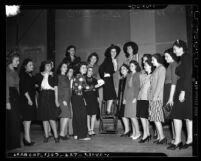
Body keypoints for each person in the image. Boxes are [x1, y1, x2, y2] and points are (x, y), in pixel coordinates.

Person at [167, 40, 192, 150]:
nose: (174, 51)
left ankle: (188, 140)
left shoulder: (186, 57)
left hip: (185, 90)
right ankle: (179, 140)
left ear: (181, 48)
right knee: (179, 116)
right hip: (181, 88)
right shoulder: (182, 59)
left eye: (175, 49)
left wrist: (184, 92)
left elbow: (188, 75)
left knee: (185, 117)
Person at [35, 60, 60, 143]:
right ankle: (46, 136)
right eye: (47, 65)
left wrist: (56, 100)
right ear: (44, 66)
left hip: (51, 96)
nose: (49, 67)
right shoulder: (38, 75)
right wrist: (39, 87)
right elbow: (36, 86)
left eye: (50, 65)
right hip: (42, 96)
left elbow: (56, 88)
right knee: (44, 118)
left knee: (51, 117)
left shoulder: (54, 75)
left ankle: (56, 136)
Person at [163, 48, 179, 145]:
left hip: (171, 90)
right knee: (172, 117)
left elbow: (174, 82)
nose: (165, 58)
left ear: (172, 56)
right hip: (168, 89)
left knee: (174, 116)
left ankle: (177, 139)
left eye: (167, 56)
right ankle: (174, 138)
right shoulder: (170, 65)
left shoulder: (174, 65)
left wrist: (170, 98)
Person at [149, 53, 166, 144]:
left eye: (152, 60)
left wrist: (155, 97)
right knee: (155, 118)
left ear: (157, 59)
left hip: (157, 97)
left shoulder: (162, 68)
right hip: (153, 97)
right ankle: (160, 137)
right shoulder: (156, 69)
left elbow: (160, 84)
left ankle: (162, 137)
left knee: (156, 118)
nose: (151, 62)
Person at [19, 58, 37, 146]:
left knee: (28, 119)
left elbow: (33, 85)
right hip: (26, 99)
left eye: (32, 65)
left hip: (31, 98)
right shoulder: (23, 75)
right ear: (25, 66)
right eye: (30, 65)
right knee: (27, 119)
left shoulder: (30, 75)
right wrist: (29, 99)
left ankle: (26, 138)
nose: (32, 66)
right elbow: (24, 89)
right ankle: (27, 139)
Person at [6, 50, 21, 151]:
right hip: (9, 95)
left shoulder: (15, 72)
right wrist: (7, 101)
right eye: (17, 60)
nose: (18, 62)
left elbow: (18, 87)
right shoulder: (6, 72)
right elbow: (6, 86)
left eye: (19, 60)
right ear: (11, 60)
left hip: (16, 96)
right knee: (11, 121)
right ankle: (10, 144)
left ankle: (15, 144)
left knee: (16, 120)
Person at [71, 62, 91, 140]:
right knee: (82, 115)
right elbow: (87, 87)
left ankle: (76, 134)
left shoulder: (76, 76)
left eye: (85, 68)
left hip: (75, 97)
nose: (85, 69)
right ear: (79, 69)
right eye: (83, 68)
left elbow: (79, 89)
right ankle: (82, 136)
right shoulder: (81, 76)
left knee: (76, 116)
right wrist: (96, 85)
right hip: (78, 98)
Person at [99, 44, 120, 115]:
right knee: (111, 94)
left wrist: (115, 65)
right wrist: (104, 75)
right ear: (110, 52)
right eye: (112, 51)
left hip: (110, 79)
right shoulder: (108, 59)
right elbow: (101, 68)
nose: (113, 53)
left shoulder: (114, 60)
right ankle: (108, 110)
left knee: (111, 95)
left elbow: (114, 70)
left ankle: (108, 110)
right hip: (107, 79)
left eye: (115, 51)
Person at [137, 59, 154, 143]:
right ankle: (147, 134)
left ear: (151, 66)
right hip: (141, 98)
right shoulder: (145, 75)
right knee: (143, 117)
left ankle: (145, 135)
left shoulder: (153, 75)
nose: (144, 67)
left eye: (146, 65)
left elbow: (152, 89)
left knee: (143, 117)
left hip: (147, 99)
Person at [123, 60, 141, 140]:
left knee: (133, 116)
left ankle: (138, 132)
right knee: (130, 116)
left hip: (134, 96)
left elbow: (138, 87)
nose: (130, 67)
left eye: (132, 66)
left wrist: (136, 98)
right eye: (130, 66)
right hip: (128, 96)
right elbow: (126, 88)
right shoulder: (129, 75)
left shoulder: (138, 74)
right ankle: (134, 133)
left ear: (136, 66)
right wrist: (124, 98)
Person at [56, 61, 72, 140]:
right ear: (60, 68)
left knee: (63, 116)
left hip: (67, 99)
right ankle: (62, 133)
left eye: (66, 67)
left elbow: (68, 89)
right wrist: (62, 99)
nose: (65, 68)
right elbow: (59, 89)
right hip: (62, 99)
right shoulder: (58, 77)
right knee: (67, 115)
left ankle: (61, 133)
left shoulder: (66, 77)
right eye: (64, 67)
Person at [84, 67, 101, 136]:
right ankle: (88, 130)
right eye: (89, 70)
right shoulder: (83, 79)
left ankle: (92, 129)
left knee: (94, 114)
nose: (90, 72)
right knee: (87, 115)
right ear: (87, 71)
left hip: (94, 98)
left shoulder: (95, 80)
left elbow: (96, 90)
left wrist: (98, 97)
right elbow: (84, 90)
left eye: (91, 71)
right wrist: (83, 99)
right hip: (87, 98)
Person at [117, 64, 131, 137]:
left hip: (127, 98)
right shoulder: (121, 79)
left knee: (128, 114)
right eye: (121, 69)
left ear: (127, 70)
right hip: (121, 98)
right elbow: (120, 90)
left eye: (124, 69)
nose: (122, 70)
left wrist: (125, 98)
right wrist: (118, 99)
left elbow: (129, 89)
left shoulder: (129, 78)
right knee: (122, 114)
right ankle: (127, 130)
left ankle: (129, 130)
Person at [66, 66, 74, 137]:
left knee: (71, 115)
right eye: (70, 71)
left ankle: (71, 131)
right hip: (65, 98)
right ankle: (65, 132)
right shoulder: (64, 79)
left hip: (71, 98)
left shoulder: (73, 80)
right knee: (65, 115)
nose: (71, 73)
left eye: (72, 72)